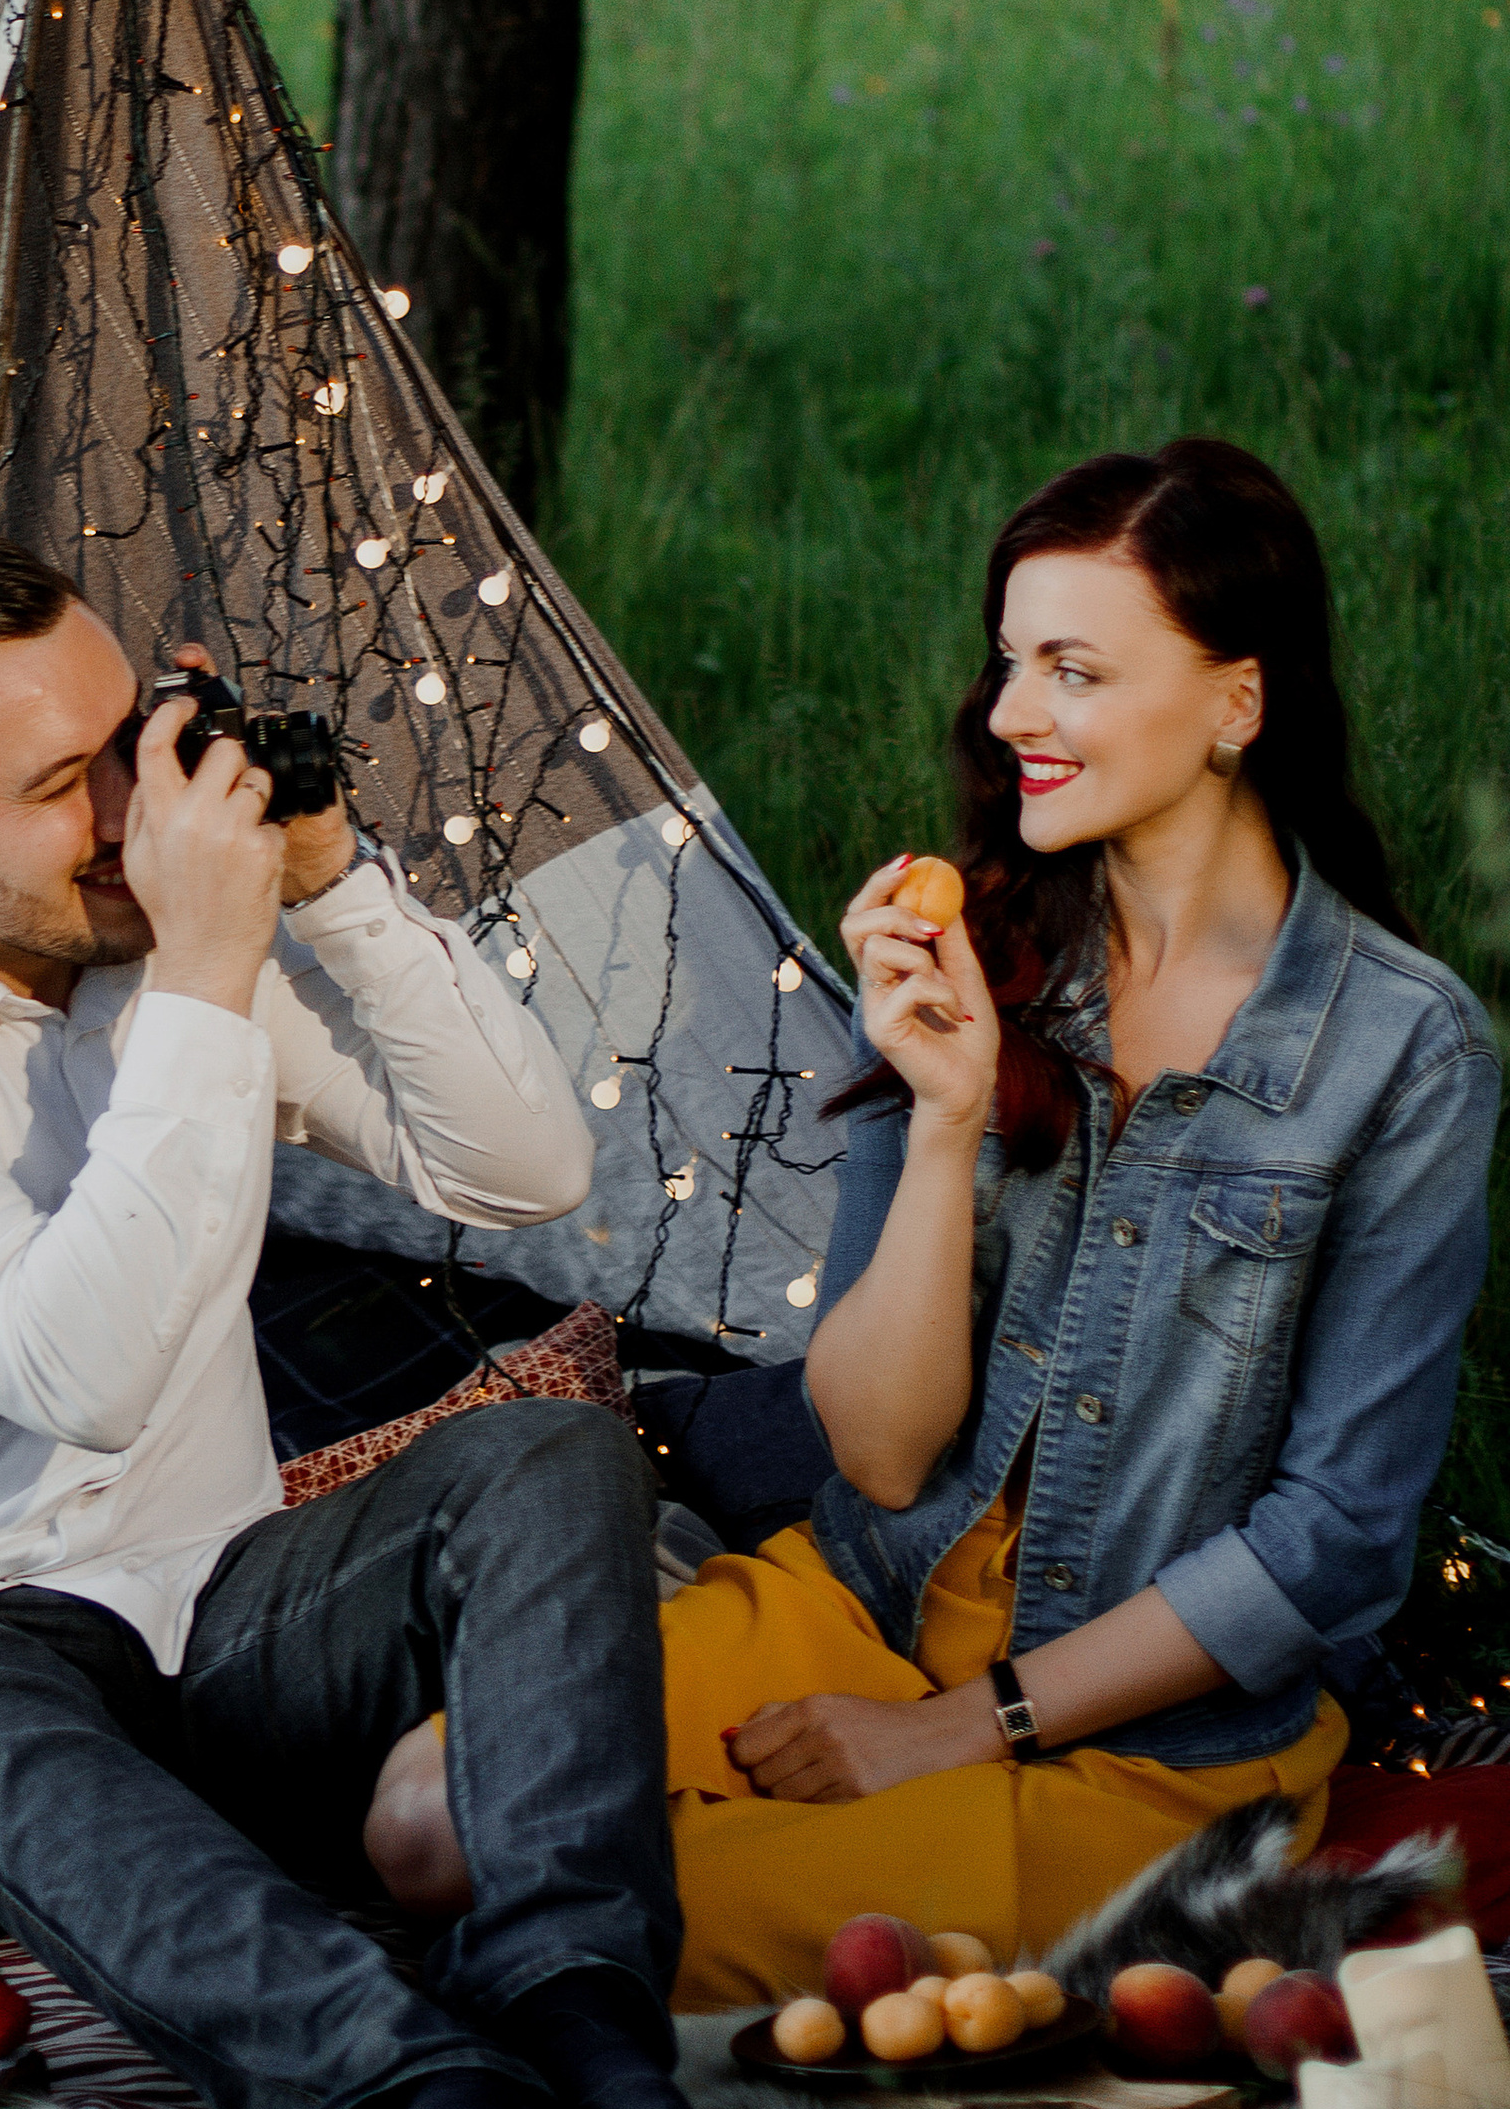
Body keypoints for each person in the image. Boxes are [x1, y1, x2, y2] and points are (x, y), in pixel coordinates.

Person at [366, 437, 1500, 2010]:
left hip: (1137, 1753)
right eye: (1009, 659)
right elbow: (884, 1455)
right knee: (428, 1823)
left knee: (587, 1922)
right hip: (876, 1597)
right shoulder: (975, 952)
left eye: (1075, 668)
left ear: (1237, 702)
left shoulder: (1402, 1052)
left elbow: (1336, 1543)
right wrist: (951, 1110)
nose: (1013, 712)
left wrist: (957, 1732)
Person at [0, 531, 712, 2109]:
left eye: (129, 745)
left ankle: (580, 2012)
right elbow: (67, 1366)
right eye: (61, 782)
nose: (126, 819)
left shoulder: (139, 939)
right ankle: (404, 2085)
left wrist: (333, 888)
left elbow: (525, 1171)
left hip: (203, 1637)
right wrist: (213, 967)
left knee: (552, 1451)